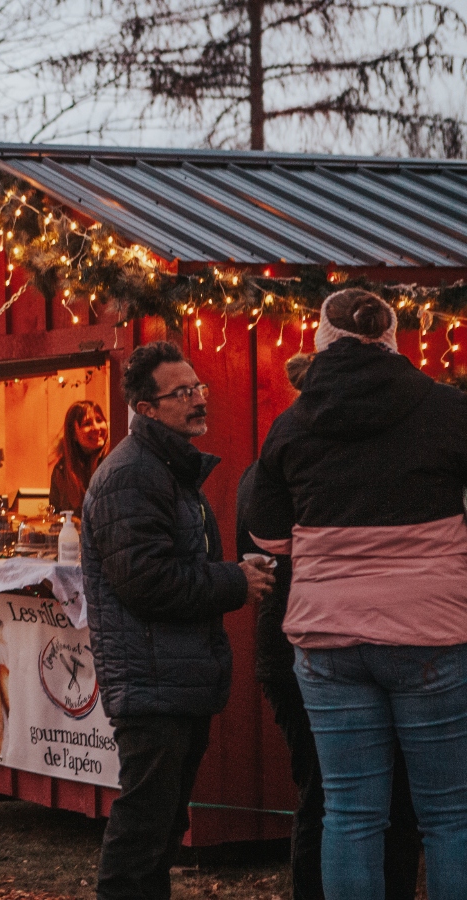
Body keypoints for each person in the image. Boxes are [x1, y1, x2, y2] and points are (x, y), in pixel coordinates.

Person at [246, 289, 467, 900]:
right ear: (393, 339)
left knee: (350, 812)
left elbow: (266, 534)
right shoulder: (448, 411)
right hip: (431, 632)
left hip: (328, 637)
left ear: (322, 340)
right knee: (448, 815)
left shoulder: (292, 424)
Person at [80, 341, 273, 900]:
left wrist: (232, 573)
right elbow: (147, 581)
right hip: (150, 680)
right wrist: (235, 580)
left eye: (199, 388)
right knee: (143, 832)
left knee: (161, 831)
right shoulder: (131, 476)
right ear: (146, 408)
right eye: (181, 393)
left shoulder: (167, 470)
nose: (197, 400)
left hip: (175, 675)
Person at [239, 351, 420, 900]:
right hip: (314, 640)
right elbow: (261, 541)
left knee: (350, 799)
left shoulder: (285, 448)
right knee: (339, 797)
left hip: (317, 637)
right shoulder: (296, 452)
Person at [49, 400, 109, 514]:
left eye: (99, 420)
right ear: (73, 434)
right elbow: (55, 514)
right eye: (87, 423)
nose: (96, 428)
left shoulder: (113, 459)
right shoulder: (62, 469)